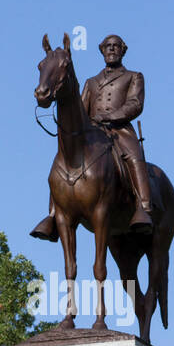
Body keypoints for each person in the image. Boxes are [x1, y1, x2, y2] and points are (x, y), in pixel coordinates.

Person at [31, 34, 153, 240]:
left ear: (123, 50)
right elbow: (80, 108)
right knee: (62, 163)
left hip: (120, 130)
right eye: (107, 46)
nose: (111, 49)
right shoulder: (91, 82)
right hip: (94, 132)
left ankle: (144, 206)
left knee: (134, 155)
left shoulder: (134, 76)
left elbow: (135, 104)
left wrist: (110, 116)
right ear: (102, 50)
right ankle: (52, 215)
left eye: (116, 46)